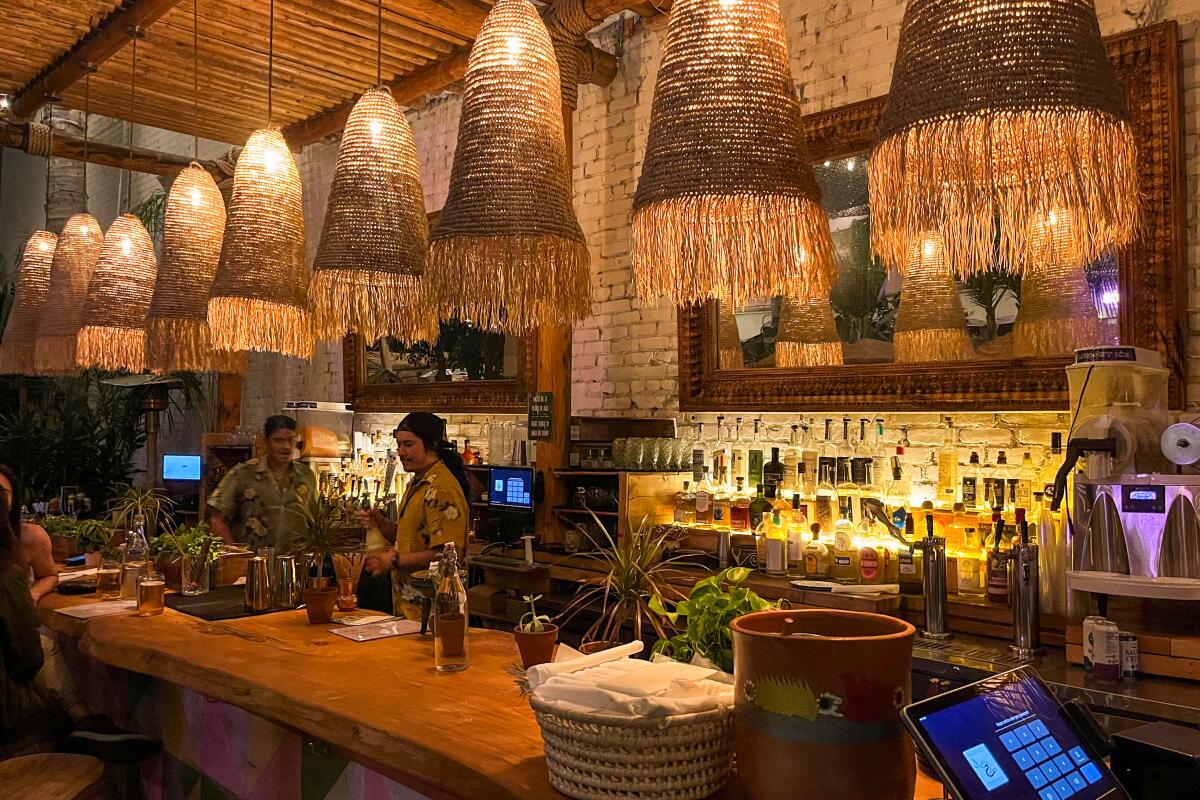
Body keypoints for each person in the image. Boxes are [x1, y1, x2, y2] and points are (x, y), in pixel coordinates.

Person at [0, 465, 157, 762]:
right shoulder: (7, 571)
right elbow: (26, 661)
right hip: (11, 719)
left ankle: (84, 725)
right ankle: (82, 723)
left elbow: (49, 576)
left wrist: (31, 596)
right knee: (43, 647)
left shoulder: (30, 539)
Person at [361, 413, 470, 620]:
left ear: (431, 445)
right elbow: (410, 538)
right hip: (409, 605)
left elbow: (447, 554)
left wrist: (393, 560)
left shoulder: (441, 488)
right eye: (399, 444)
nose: (401, 452)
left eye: (409, 445)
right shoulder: (418, 481)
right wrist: (381, 523)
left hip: (433, 610)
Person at [207, 415, 317, 555]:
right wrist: (239, 556)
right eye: (278, 440)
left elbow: (316, 522)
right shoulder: (243, 474)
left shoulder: (306, 476)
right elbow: (216, 520)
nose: (286, 447)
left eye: (290, 440)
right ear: (266, 442)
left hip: (296, 567)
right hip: (253, 568)